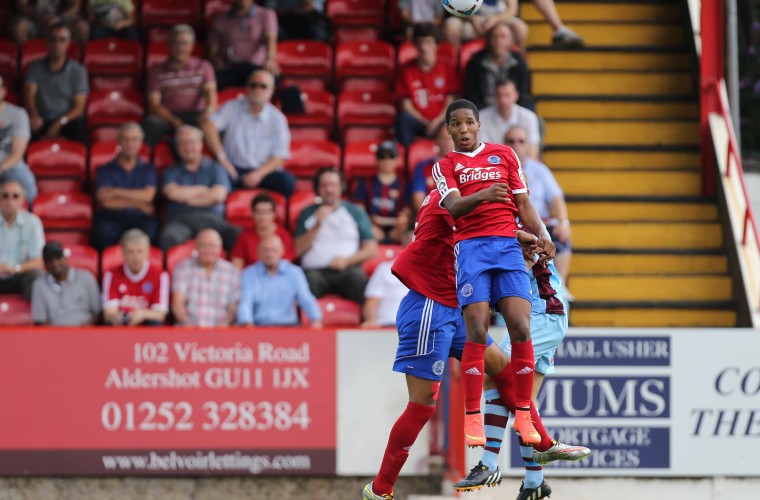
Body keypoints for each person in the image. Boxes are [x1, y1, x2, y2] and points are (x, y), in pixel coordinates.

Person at [362, 189, 579, 500]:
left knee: (502, 369)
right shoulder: (449, 199)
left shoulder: (461, 196)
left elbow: (484, 228)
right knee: (422, 406)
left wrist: (520, 236)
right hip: (429, 308)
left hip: (454, 307)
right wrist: (520, 235)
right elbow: (478, 228)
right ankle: (381, 489)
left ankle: (542, 445)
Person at [431, 99, 555, 447]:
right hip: (471, 249)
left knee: (520, 325)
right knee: (477, 327)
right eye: (457, 124)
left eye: (469, 122)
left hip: (507, 247)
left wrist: (544, 238)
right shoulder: (446, 165)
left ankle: (524, 416)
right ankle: (473, 417)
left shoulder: (504, 155)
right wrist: (485, 194)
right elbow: (454, 207)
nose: (464, 129)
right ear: (449, 129)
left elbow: (524, 204)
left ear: (478, 125)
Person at [453, 255, 590, 498]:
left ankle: (489, 463)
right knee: (522, 401)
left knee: (497, 376)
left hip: (541, 315)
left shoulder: (513, 232)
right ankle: (534, 481)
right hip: (547, 312)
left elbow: (516, 271)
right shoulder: (521, 229)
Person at [202, 68, 296, 198]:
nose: (257, 89)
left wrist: (258, 174)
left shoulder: (278, 118)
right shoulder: (231, 107)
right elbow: (209, 126)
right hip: (233, 169)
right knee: (217, 177)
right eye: (253, 85)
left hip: (263, 171)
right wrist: (222, 159)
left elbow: (279, 156)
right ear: (246, 87)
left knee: (287, 182)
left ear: (271, 91)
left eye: (263, 86)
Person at [294, 167, 377, 305]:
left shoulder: (355, 211)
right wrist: (317, 225)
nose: (329, 189)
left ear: (341, 187)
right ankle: (310, 324)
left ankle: (363, 323)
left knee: (358, 278)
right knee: (307, 281)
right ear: (317, 188)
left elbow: (371, 248)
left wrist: (347, 261)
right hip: (314, 272)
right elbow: (297, 249)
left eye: (333, 185)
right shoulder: (307, 213)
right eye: (324, 185)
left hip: (347, 270)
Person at [505, 125, 572, 295]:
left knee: (560, 235)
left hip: (538, 222)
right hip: (509, 224)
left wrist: (564, 222)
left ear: (528, 145)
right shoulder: (496, 169)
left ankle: (559, 288)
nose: (516, 145)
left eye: (521, 141)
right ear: (504, 144)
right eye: (511, 141)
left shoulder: (539, 169)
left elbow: (557, 198)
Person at [159, 125, 240, 253]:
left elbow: (218, 196)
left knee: (235, 234)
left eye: (191, 142)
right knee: (168, 237)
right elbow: (172, 194)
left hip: (212, 218)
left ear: (200, 144)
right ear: (177, 147)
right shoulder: (170, 171)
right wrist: (204, 190)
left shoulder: (216, 168)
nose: (187, 147)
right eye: (182, 143)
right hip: (180, 219)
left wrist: (186, 199)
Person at [143, 24, 217, 148]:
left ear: (192, 46)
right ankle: (151, 163)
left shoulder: (204, 66)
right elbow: (154, 104)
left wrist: (209, 110)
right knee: (151, 124)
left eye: (184, 44)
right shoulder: (157, 71)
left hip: (196, 116)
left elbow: (210, 92)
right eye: (176, 43)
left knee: (214, 124)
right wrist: (175, 122)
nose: (180, 48)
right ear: (169, 45)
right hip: (168, 117)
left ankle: (212, 163)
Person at [92, 122, 158, 250]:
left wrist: (115, 192)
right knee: (102, 232)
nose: (130, 143)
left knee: (152, 231)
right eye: (126, 139)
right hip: (112, 216)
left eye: (134, 139)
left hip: (140, 217)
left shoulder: (148, 169)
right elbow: (105, 201)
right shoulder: (105, 169)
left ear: (140, 142)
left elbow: (148, 196)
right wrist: (138, 204)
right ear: (119, 141)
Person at [23, 23, 89, 144]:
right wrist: (34, 115)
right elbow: (29, 96)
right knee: (25, 127)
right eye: (52, 40)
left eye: (62, 40)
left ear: (69, 43)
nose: (57, 44)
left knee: (80, 126)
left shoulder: (78, 70)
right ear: (46, 42)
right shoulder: (34, 67)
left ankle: (80, 160)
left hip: (66, 120)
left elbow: (79, 107)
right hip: (41, 118)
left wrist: (59, 123)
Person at [395, 23, 458, 148]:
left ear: (437, 45)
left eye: (428, 42)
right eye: (421, 43)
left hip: (441, 120)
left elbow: (450, 102)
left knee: (456, 120)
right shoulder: (406, 70)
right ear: (416, 45)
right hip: (418, 121)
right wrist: (425, 122)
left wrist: (435, 122)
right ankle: (408, 157)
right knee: (403, 120)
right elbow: (406, 106)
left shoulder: (447, 68)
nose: (424, 47)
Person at [237, 235, 322, 327]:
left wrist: (315, 318)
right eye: (265, 250)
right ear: (258, 252)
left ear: (282, 252)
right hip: (260, 327)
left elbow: (306, 298)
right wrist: (246, 322)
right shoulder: (248, 274)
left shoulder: (294, 273)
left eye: (274, 250)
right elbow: (246, 302)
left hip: (289, 327)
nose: (269, 254)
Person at [171, 228, 240, 327]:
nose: (208, 251)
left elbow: (233, 308)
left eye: (213, 246)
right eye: (204, 246)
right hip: (188, 330)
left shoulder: (231, 271)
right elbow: (178, 304)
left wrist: (224, 326)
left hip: (222, 332)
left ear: (220, 248)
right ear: (196, 247)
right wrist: (189, 326)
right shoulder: (183, 268)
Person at [102, 229, 169, 326]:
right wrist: (117, 317)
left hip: (147, 331)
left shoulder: (160, 275)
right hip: (121, 328)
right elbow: (109, 311)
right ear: (123, 252)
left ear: (147, 251)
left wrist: (142, 314)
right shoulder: (111, 274)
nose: (136, 257)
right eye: (131, 252)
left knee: (154, 323)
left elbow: (160, 313)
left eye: (140, 251)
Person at [207, 0, 279, 90]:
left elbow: (270, 38)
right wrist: (216, 60)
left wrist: (270, 59)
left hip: (257, 68)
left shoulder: (266, 14)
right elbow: (213, 47)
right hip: (230, 68)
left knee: (274, 80)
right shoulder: (220, 18)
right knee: (209, 83)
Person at [350, 141, 411, 244]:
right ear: (376, 159)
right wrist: (369, 222)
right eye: (382, 156)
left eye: (391, 156)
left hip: (397, 230)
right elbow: (358, 211)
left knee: (409, 234)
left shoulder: (404, 184)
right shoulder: (365, 183)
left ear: (397, 159)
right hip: (372, 228)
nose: (386, 160)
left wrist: (402, 221)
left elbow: (407, 211)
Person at [464, 22, 532, 111]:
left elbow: (524, 94)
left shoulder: (520, 63)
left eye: (503, 37)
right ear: (488, 40)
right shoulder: (475, 63)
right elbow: (471, 95)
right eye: (494, 37)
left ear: (511, 41)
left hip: (513, 112)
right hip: (483, 113)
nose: (498, 41)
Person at [31, 241, 101, 326]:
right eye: (50, 260)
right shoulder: (39, 285)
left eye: (59, 258)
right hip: (54, 335)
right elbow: (40, 321)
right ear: (45, 264)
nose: (55, 263)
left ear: (66, 258)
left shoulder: (86, 277)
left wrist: (83, 331)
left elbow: (98, 313)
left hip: (85, 332)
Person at [0, 179, 44, 300]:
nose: (10, 200)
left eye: (15, 196)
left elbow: (38, 261)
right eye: (5, 195)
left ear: (22, 200)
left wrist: (15, 269)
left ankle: (36, 318)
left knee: (38, 276)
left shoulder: (33, 222)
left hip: (20, 276)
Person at [229, 192, 295, 269]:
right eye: (259, 212)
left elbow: (287, 266)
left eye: (266, 212)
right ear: (253, 214)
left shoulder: (283, 235)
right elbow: (236, 265)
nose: (262, 216)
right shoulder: (244, 236)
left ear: (274, 214)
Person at [478, 79, 541, 160]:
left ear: (516, 95)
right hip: (493, 168)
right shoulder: (481, 117)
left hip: (523, 168)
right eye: (499, 95)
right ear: (494, 96)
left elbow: (533, 154)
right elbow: (481, 152)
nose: (503, 100)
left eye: (507, 95)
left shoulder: (529, 118)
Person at [0, 76, 37, 204]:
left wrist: (0, 168)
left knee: (29, 189)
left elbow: (17, 154)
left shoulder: (18, 114)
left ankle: (31, 218)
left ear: (3, 91)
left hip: (10, 165)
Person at [443, 0, 529, 51]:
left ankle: (519, 65)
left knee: (521, 29)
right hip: (471, 19)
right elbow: (454, 7)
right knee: (451, 27)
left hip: (499, 18)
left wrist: (496, 19)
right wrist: (472, 19)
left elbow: (512, 10)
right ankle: (455, 67)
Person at [410, 124, 454, 211]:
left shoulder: (464, 167)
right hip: (431, 218)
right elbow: (418, 202)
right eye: (442, 138)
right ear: (436, 140)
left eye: (450, 138)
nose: (446, 142)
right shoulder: (423, 167)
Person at [262, 0, 329, 42]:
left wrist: (309, 5)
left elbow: (316, 10)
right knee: (273, 31)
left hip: (308, 20)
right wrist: (292, 10)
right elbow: (270, 11)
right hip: (283, 20)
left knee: (319, 32)